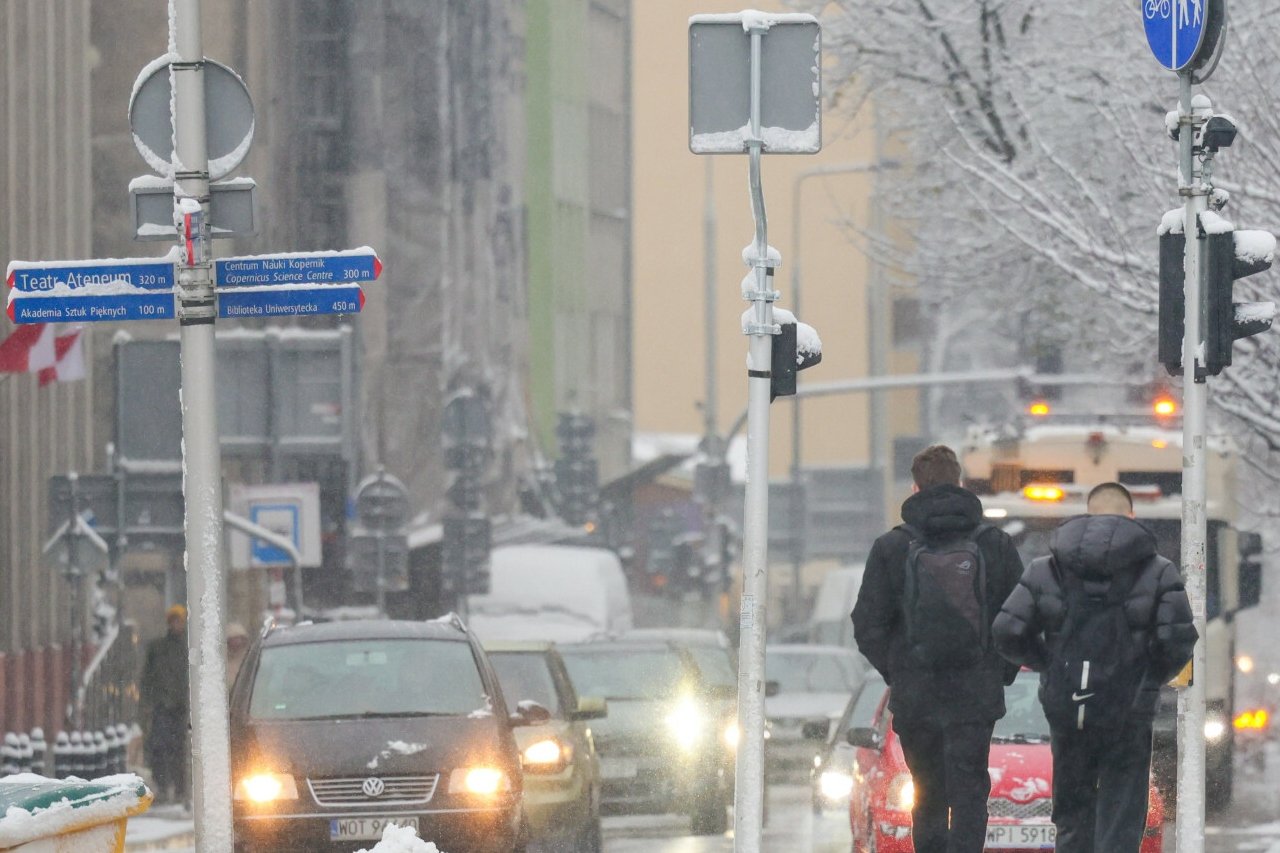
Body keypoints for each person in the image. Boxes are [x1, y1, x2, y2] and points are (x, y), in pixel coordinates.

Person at [991, 482, 1197, 853]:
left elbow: (1006, 630)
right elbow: (1178, 640)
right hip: (1129, 712)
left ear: (1086, 515)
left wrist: (1049, 664)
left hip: (1069, 707)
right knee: (1122, 810)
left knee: (1072, 812)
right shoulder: (1159, 572)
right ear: (1131, 516)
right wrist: (1147, 680)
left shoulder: (1044, 570)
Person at [852, 444, 1024, 853]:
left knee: (927, 793)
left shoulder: (892, 547)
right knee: (969, 792)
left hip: (917, 696)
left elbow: (867, 624)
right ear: (960, 483)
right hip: (975, 695)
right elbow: (1021, 615)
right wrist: (998, 670)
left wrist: (898, 669)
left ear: (914, 488)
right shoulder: (994, 544)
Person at [140, 603, 190, 805]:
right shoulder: (158, 648)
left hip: (180, 708)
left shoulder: (187, 648)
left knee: (179, 749)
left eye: (180, 621)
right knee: (159, 748)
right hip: (162, 706)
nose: (177, 625)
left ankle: (179, 789)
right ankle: (162, 786)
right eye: (174, 621)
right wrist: (149, 702)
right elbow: (148, 677)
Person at [225, 622, 250, 691]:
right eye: (234, 640)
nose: (238, 642)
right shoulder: (223, 664)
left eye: (241, 639)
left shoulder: (249, 660)